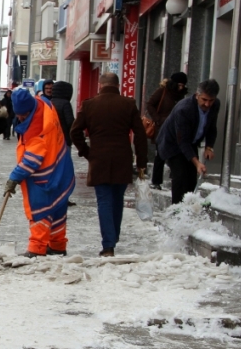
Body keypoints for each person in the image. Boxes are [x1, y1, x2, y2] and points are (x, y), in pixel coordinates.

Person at [70, 72, 147, 258]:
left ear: (100, 85)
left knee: (104, 200)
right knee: (117, 200)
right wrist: (142, 163)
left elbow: (75, 131)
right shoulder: (128, 104)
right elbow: (140, 135)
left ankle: (108, 245)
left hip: (99, 159)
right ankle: (114, 237)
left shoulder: (89, 105)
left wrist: (87, 152)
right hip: (122, 159)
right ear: (118, 85)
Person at [3, 88, 75, 257]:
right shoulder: (43, 104)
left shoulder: (37, 131)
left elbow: (31, 161)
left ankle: (36, 248)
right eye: (18, 114)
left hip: (44, 178)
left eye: (23, 115)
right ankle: (57, 245)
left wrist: (14, 178)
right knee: (57, 209)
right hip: (61, 169)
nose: (20, 118)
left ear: (30, 110)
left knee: (40, 211)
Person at [157, 79, 221, 205]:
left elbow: (212, 128)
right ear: (197, 95)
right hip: (172, 143)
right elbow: (183, 141)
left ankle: (188, 207)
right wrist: (198, 163)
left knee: (191, 178)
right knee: (180, 175)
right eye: (204, 100)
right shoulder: (184, 109)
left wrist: (209, 147)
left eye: (211, 100)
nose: (207, 104)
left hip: (191, 142)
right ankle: (176, 208)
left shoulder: (215, 105)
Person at [146, 72, 188, 189]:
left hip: (176, 128)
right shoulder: (163, 91)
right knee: (160, 154)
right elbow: (150, 104)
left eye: (183, 85)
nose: (181, 87)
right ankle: (156, 181)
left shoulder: (181, 95)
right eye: (179, 85)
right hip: (162, 128)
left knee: (176, 153)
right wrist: (158, 119)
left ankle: (174, 177)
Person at [51, 81, 75, 146]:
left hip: (52, 138)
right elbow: (70, 122)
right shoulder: (65, 103)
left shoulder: (49, 102)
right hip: (64, 138)